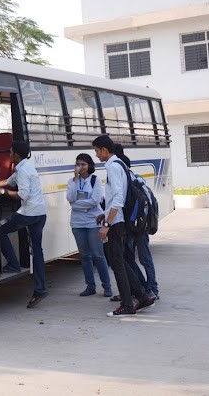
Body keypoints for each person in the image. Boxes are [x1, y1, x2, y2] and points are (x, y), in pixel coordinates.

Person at [92, 135, 155, 316]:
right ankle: (142, 296)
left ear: (104, 150)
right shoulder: (120, 164)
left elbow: (118, 198)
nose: (96, 155)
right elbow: (116, 198)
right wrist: (106, 215)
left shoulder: (112, 166)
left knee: (117, 262)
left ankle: (128, 304)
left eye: (97, 151)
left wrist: (106, 223)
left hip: (117, 223)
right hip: (118, 220)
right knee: (121, 261)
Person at [0, 140, 48, 309]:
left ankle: (13, 264)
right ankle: (40, 289)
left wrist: (3, 192)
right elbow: (10, 182)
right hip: (40, 213)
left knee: (1, 230)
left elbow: (23, 195)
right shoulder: (23, 167)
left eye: (10, 153)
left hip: (29, 213)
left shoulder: (23, 171)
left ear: (16, 155)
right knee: (37, 251)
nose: (9, 155)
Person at [114, 144, 159, 301]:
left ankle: (152, 288)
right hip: (131, 225)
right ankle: (137, 288)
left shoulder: (133, 180)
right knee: (130, 259)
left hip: (138, 226)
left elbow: (148, 202)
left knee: (143, 258)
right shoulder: (129, 179)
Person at [66, 153, 113, 298]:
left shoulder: (95, 180)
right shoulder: (72, 181)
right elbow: (70, 198)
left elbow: (94, 201)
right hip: (77, 223)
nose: (81, 167)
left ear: (89, 165)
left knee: (98, 255)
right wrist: (75, 179)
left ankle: (107, 286)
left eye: (83, 164)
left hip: (93, 221)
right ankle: (90, 286)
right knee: (85, 256)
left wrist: (77, 204)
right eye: (78, 164)